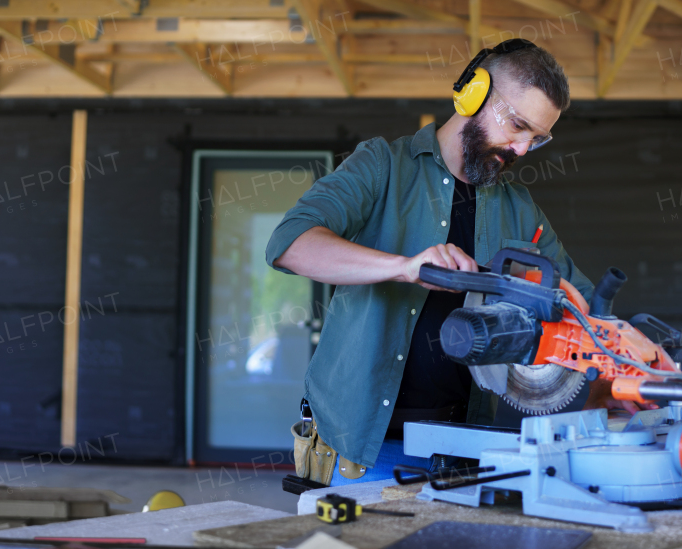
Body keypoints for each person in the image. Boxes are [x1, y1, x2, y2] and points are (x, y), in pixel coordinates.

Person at [267, 39, 632, 487]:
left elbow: (582, 308)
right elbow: (290, 243)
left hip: (461, 446)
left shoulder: (520, 209)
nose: (520, 149)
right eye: (517, 125)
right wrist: (403, 267)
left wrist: (623, 377)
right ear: (472, 92)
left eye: (535, 139)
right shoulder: (383, 165)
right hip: (361, 448)